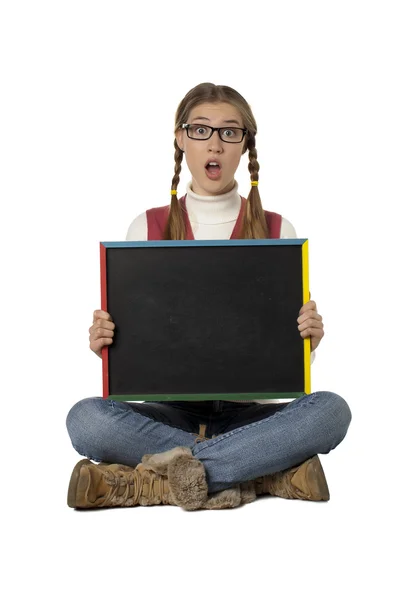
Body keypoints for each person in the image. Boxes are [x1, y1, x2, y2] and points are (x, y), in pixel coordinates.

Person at [66, 82, 351, 510]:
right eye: (200, 130)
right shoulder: (145, 228)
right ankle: (263, 472)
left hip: (249, 414)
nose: (214, 143)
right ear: (181, 140)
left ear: (245, 145)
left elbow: (284, 364)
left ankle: (161, 481)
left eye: (229, 132)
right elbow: (136, 358)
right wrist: (109, 345)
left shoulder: (279, 232)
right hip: (172, 414)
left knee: (331, 411)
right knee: (85, 420)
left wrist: (308, 342)